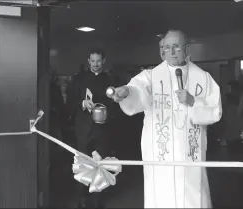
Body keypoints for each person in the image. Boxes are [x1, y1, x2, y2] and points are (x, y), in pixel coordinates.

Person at [110, 30, 222, 208]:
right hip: (161, 158)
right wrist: (125, 92)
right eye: (167, 47)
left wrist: (193, 101)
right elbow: (137, 90)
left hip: (190, 158)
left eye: (176, 47)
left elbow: (215, 110)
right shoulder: (151, 76)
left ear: (187, 48)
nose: (171, 52)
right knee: (162, 197)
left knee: (192, 198)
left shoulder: (203, 78)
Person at [66, 48, 117, 209]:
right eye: (93, 61)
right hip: (83, 130)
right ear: (88, 61)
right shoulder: (78, 80)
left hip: (103, 131)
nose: (96, 64)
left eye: (99, 61)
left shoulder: (110, 79)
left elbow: (117, 105)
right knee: (82, 164)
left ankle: (98, 200)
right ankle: (82, 199)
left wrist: (110, 113)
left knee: (101, 164)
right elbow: (69, 104)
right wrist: (82, 103)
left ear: (104, 61)